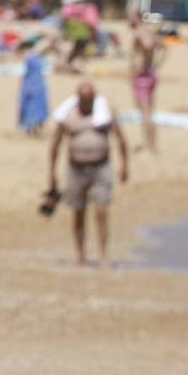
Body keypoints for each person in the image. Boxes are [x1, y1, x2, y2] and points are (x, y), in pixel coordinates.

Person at [46, 82, 130, 266]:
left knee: (101, 210)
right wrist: (52, 173)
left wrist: (124, 166)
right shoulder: (69, 114)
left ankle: (103, 254)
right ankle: (80, 254)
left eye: (89, 99)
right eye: (83, 99)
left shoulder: (105, 112)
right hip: (76, 168)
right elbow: (56, 144)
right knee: (78, 212)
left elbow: (120, 138)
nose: (86, 102)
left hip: (101, 167)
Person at [127, 8, 165, 153]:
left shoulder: (140, 32)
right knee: (148, 112)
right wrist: (157, 64)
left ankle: (151, 146)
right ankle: (149, 144)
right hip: (150, 73)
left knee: (146, 113)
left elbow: (149, 45)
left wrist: (142, 64)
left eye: (130, 16)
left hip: (142, 76)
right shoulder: (148, 31)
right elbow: (163, 47)